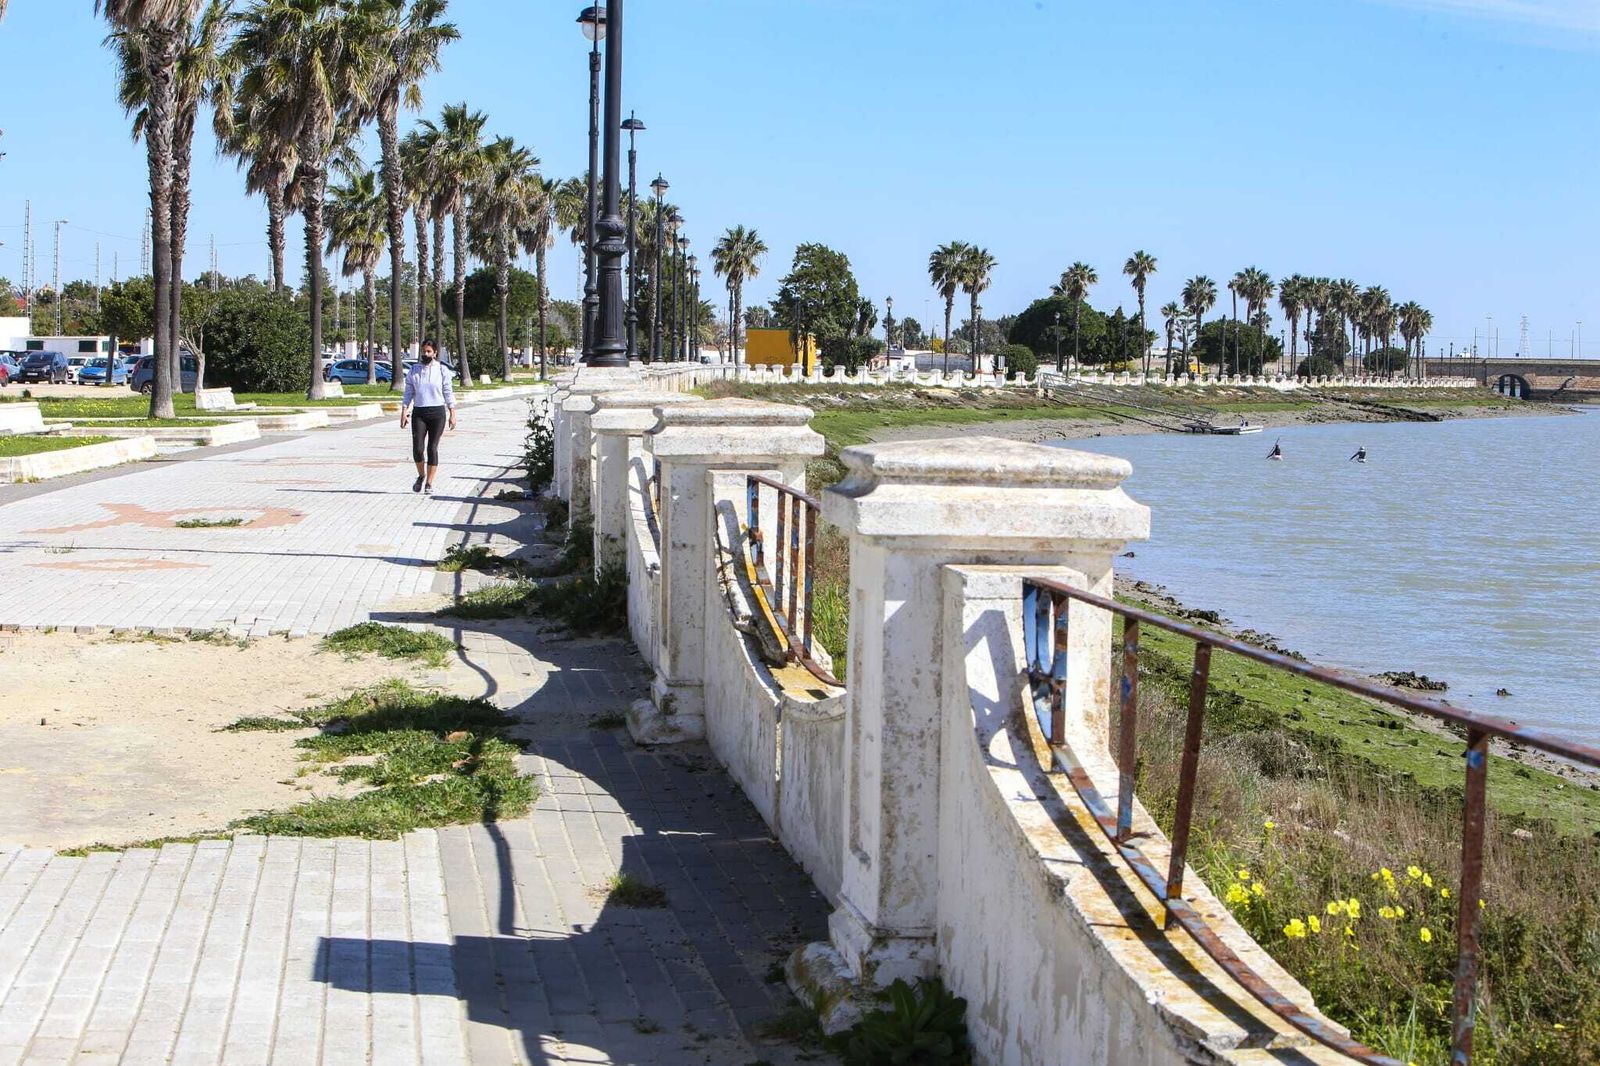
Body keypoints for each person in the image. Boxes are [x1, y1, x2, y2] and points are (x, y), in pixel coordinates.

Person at [400, 339, 457, 495]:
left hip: (437, 413)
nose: (425, 354)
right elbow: (409, 392)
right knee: (418, 449)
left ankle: (429, 483)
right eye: (423, 351)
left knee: (432, 448)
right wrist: (404, 410)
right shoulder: (414, 370)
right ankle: (421, 475)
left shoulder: (442, 370)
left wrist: (452, 412)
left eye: (428, 351)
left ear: (435, 353)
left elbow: (448, 392)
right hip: (419, 412)